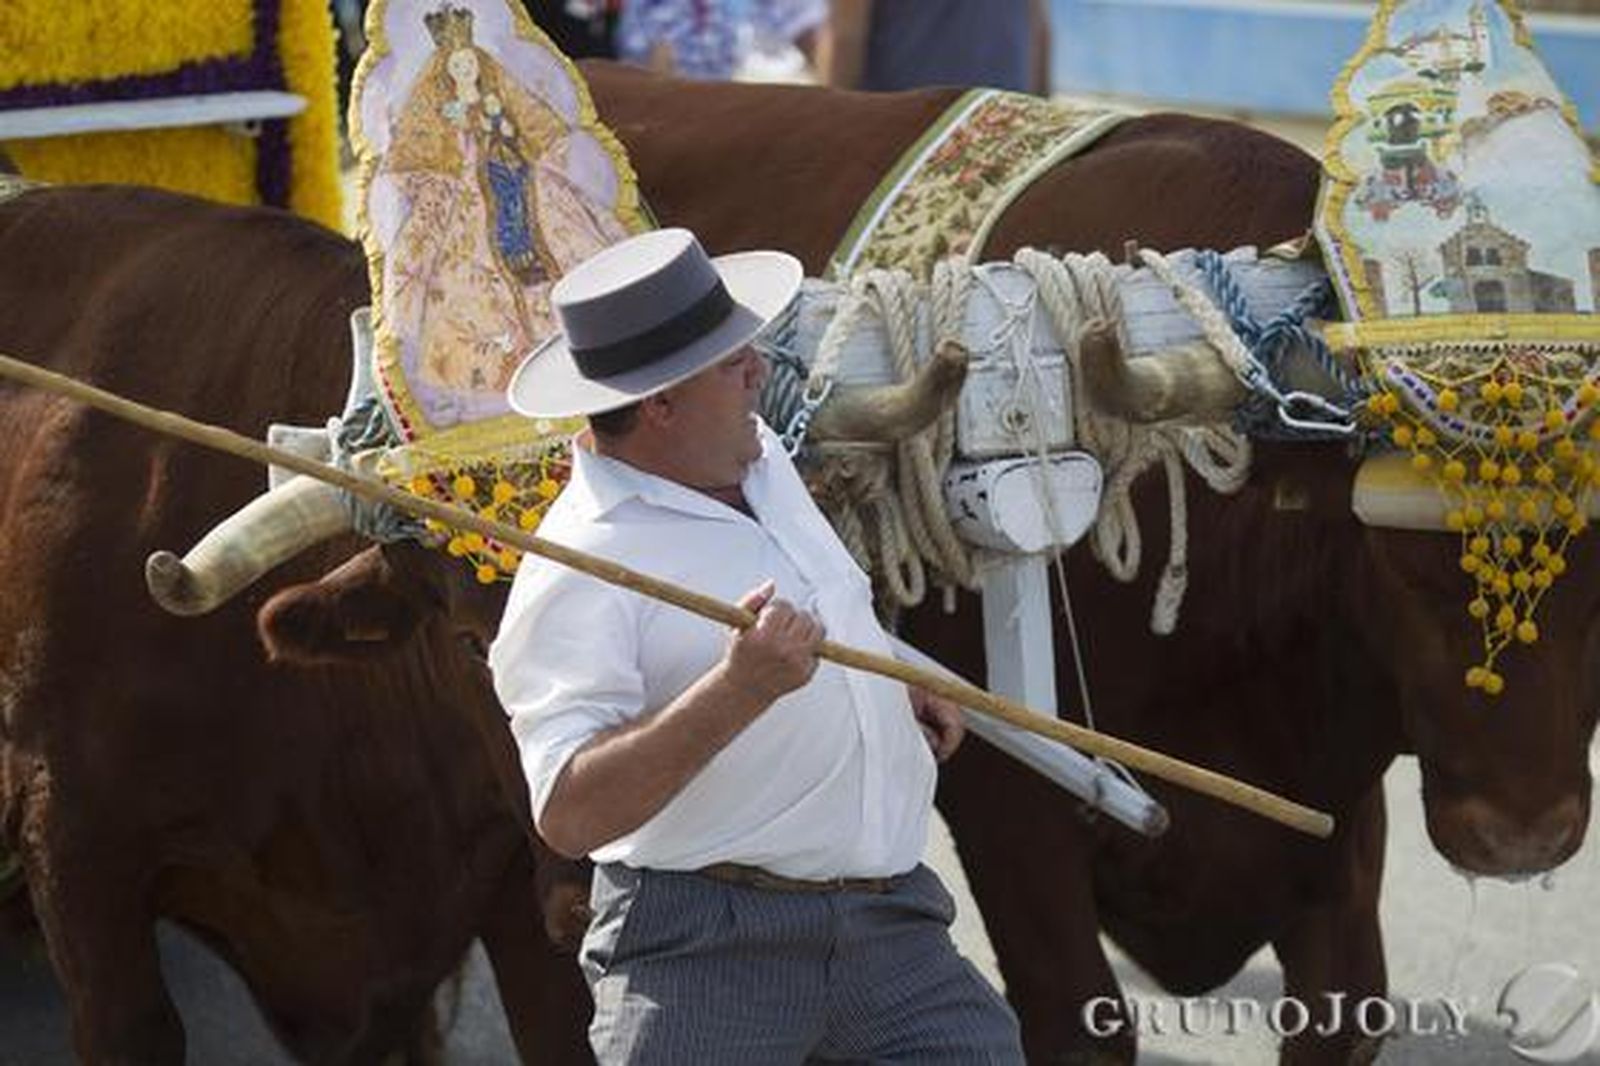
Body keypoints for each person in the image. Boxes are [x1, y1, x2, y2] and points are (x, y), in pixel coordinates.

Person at [489, 227, 1024, 1063]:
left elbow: (824, 616)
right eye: (732, 361)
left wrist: (885, 687)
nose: (760, 370)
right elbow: (569, 813)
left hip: (892, 926)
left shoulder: (761, 459)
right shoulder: (578, 568)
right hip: (707, 951)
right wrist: (739, 688)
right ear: (661, 405)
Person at [821, 0, 1053, 97]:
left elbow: (845, 37)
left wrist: (832, 127)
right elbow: (1040, 29)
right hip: (1004, 116)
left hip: (910, 129)